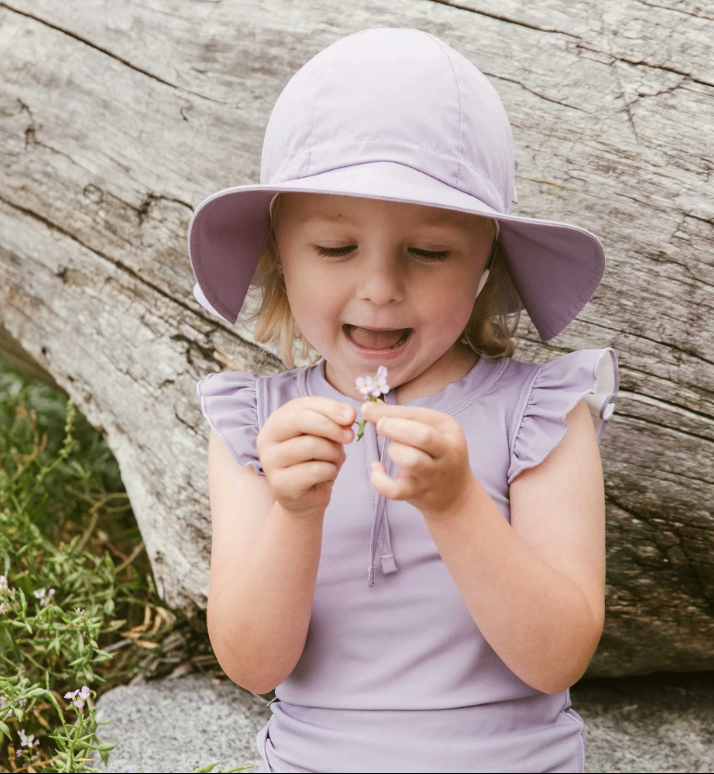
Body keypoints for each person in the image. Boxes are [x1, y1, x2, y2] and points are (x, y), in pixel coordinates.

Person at [191, 27, 620, 774]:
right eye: (334, 248)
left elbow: (556, 659)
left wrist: (456, 506)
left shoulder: (542, 412)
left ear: (487, 259)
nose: (381, 287)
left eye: (428, 252)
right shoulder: (254, 426)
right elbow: (253, 664)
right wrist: (297, 514)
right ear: (278, 259)